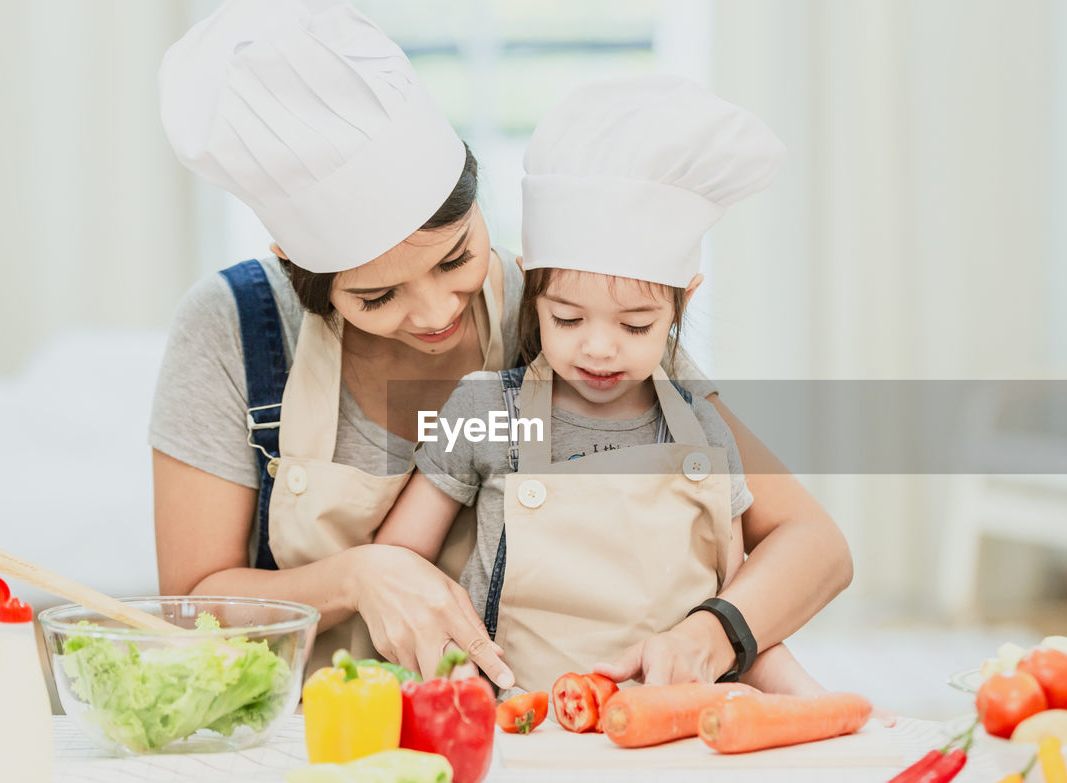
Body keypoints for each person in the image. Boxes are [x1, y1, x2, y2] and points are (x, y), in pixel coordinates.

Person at [152, 0, 853, 687]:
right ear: (290, 260)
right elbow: (185, 609)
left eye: (456, 257)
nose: (435, 313)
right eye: (376, 297)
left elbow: (813, 544)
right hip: (312, 730)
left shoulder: (569, 318)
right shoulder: (233, 329)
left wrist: (714, 630)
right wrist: (359, 575)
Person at [374, 75, 829, 696]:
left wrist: (820, 705)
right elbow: (399, 564)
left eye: (637, 324)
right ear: (530, 294)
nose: (598, 347)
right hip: (519, 723)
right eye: (567, 319)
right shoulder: (484, 408)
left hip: (675, 726)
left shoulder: (704, 430)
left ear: (682, 304)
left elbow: (740, 605)